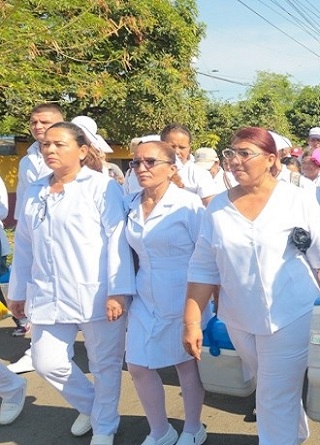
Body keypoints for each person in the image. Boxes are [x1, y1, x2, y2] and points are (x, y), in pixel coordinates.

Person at [182, 127, 320, 445]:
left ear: (271, 159)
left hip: (292, 315)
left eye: (245, 153)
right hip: (239, 319)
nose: (235, 160)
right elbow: (203, 267)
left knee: (271, 396)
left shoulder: (297, 200)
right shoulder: (217, 208)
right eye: (231, 153)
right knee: (272, 384)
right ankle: (295, 431)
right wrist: (190, 322)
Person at [7, 122, 135, 445]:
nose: (50, 149)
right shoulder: (35, 190)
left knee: (104, 364)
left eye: (59, 144)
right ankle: (94, 408)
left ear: (82, 150)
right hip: (48, 292)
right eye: (46, 144)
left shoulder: (101, 187)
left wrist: (118, 290)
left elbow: (117, 239)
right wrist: (18, 292)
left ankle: (104, 427)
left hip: (97, 292)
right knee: (45, 360)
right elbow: (24, 246)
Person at [125, 141, 208, 445]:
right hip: (143, 294)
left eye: (150, 162)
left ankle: (193, 428)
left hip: (183, 294)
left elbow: (207, 254)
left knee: (185, 363)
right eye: (136, 162)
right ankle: (160, 431)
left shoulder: (188, 204)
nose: (141, 168)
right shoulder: (130, 204)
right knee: (137, 365)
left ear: (172, 168)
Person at [9, 103, 63, 354]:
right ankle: (36, 347)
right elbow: (23, 201)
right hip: (37, 233)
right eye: (34, 122)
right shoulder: (27, 160)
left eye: (45, 122)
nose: (38, 126)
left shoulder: (76, 153)